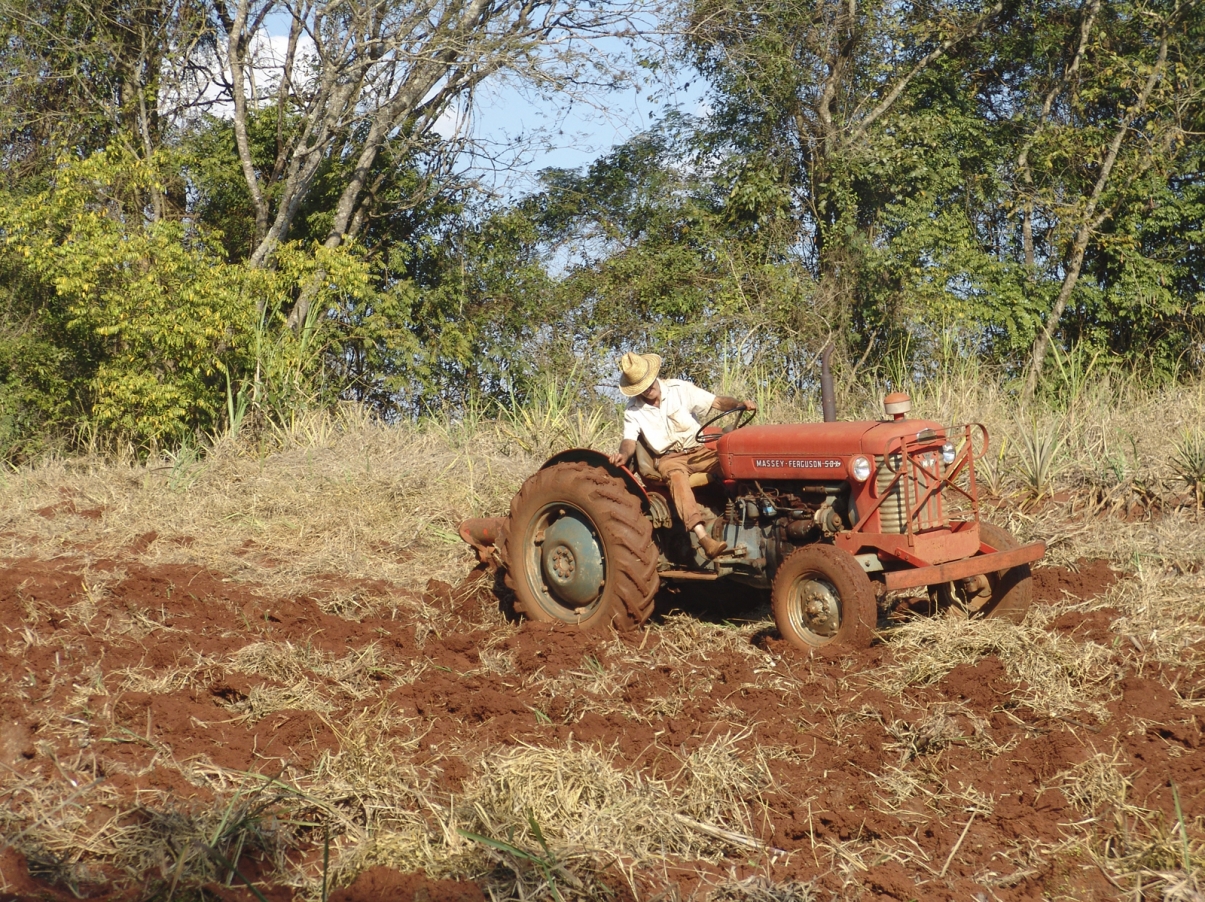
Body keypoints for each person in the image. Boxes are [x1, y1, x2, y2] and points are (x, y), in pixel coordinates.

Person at [608, 352, 756, 559]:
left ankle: (751, 516)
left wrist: (739, 404)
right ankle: (704, 538)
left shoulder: (680, 389)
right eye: (641, 387)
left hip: (698, 451)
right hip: (670, 459)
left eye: (649, 383)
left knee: (735, 464)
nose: (648, 389)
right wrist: (623, 455)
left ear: (653, 376)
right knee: (676, 478)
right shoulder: (633, 410)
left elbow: (716, 402)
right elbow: (629, 441)